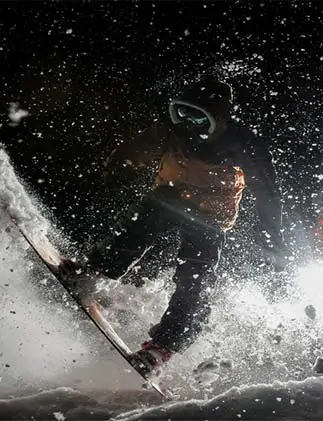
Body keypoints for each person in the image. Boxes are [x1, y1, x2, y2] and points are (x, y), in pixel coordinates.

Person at [59, 78, 291, 376]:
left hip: (209, 216)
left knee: (195, 276)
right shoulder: (171, 129)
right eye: (182, 113)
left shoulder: (242, 142)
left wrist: (271, 233)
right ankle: (93, 273)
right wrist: (117, 169)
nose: (188, 123)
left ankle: (162, 347)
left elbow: (267, 190)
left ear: (217, 120)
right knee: (138, 226)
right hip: (169, 196)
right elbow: (137, 149)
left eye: (198, 117)